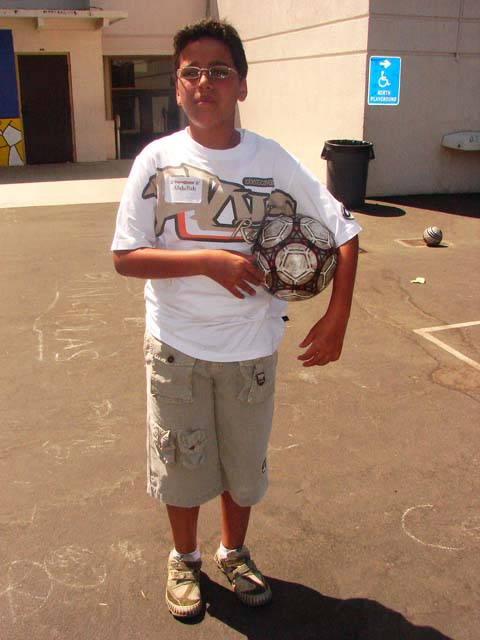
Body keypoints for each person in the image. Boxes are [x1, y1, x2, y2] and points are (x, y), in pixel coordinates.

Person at [111, 17, 361, 618]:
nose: (205, 82)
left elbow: (344, 229)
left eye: (219, 71)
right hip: (175, 348)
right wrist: (208, 263)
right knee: (180, 462)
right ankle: (184, 558)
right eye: (191, 72)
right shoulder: (157, 161)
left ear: (242, 86)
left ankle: (234, 551)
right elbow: (125, 257)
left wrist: (337, 316)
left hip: (250, 350)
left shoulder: (271, 159)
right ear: (177, 87)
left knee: (242, 466)